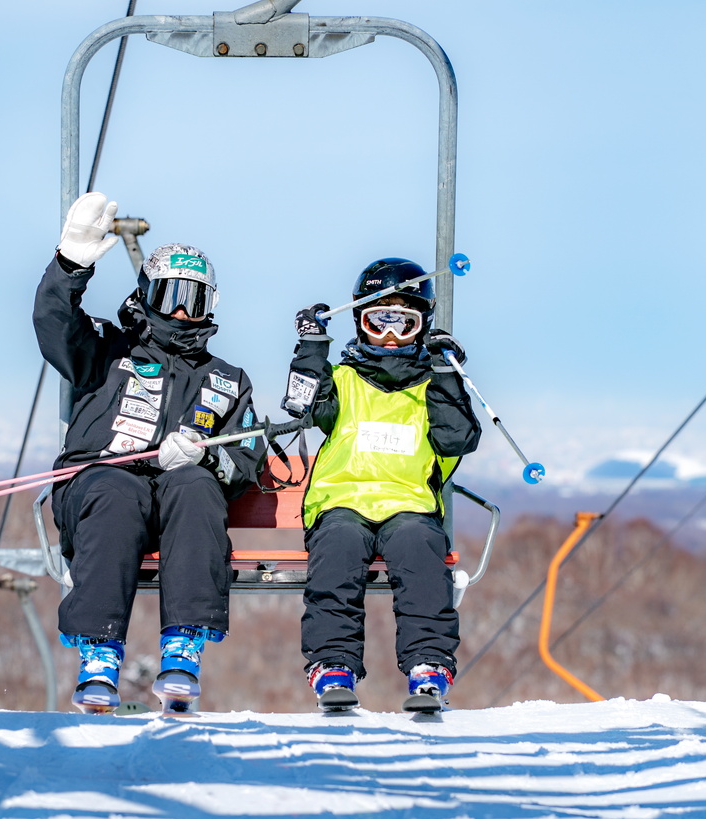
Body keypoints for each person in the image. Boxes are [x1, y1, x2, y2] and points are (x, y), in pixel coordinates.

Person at [33, 192, 263, 714]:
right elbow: (54, 327)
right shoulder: (109, 351)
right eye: (170, 294)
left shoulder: (226, 381)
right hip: (100, 488)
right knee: (115, 488)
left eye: (195, 299)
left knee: (195, 485)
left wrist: (206, 459)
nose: (182, 310)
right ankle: (99, 652)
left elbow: (246, 455)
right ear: (148, 295)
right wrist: (70, 264)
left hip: (177, 506)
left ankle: (183, 646)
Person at [281, 257, 482, 712]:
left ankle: (428, 663)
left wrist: (447, 375)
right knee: (338, 552)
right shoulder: (344, 381)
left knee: (420, 550)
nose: (390, 335)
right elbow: (301, 405)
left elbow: (458, 438)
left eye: (403, 323)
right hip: (342, 504)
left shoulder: (431, 384)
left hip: (407, 504)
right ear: (359, 322)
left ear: (421, 327)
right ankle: (332, 662)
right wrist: (311, 347)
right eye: (379, 321)